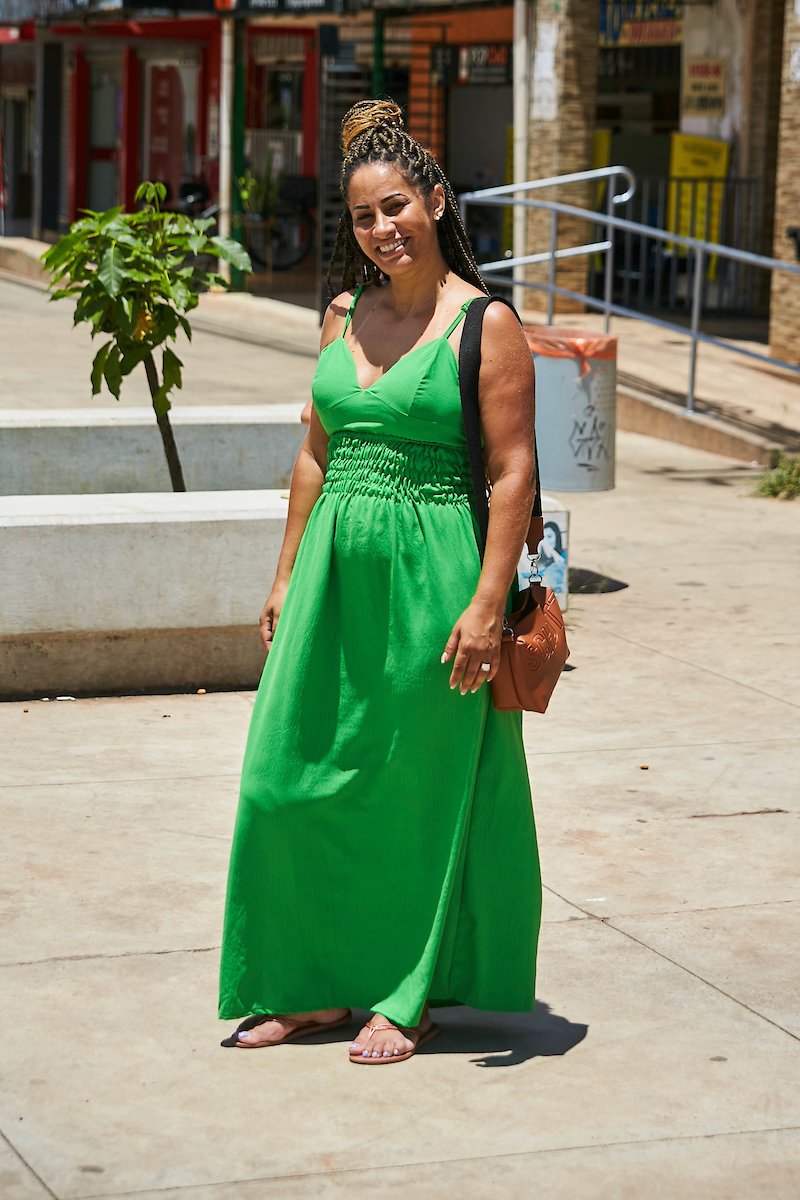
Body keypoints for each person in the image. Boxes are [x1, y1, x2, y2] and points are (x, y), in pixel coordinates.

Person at [219, 99, 542, 1065]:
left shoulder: (487, 324)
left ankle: (407, 995)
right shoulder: (341, 315)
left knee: (413, 794)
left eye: (396, 206)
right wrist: (284, 575)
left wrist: (488, 603)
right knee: (286, 782)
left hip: (434, 581)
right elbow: (315, 453)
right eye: (364, 217)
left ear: (437, 202)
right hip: (330, 579)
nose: (382, 229)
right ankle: (309, 985)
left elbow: (513, 469)